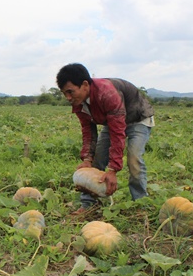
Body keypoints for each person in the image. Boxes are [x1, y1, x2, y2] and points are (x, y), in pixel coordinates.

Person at [56, 63, 155, 214]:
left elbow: (118, 131)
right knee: (97, 158)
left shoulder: (107, 94)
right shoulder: (79, 103)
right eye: (64, 93)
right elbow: (88, 130)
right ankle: (89, 205)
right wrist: (88, 158)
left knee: (134, 158)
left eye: (70, 92)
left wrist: (113, 169)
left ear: (84, 85)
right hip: (113, 120)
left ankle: (140, 204)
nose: (68, 98)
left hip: (138, 119)